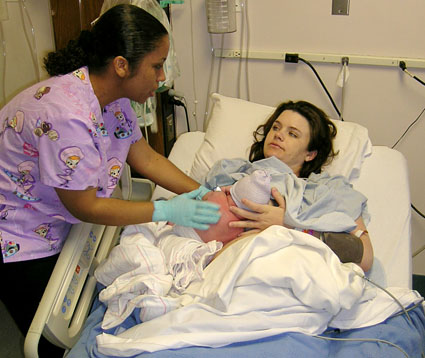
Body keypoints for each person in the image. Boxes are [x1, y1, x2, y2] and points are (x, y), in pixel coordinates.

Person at [0, 4, 219, 355]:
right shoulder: (68, 117)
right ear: (121, 65)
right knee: (49, 341)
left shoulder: (112, 98)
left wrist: (202, 192)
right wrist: (163, 210)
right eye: (156, 65)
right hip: (15, 235)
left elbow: (146, 157)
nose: (162, 78)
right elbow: (87, 206)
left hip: (51, 215)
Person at [212, 100, 374, 273]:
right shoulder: (232, 171)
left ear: (310, 154)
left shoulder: (329, 190)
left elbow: (365, 257)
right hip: (227, 265)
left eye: (292, 134)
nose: (278, 135)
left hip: (290, 271)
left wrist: (290, 227)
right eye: (276, 127)